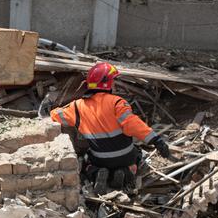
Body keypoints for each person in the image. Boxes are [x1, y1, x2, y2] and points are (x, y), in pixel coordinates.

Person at [50, 62, 170, 193]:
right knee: (138, 154)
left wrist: (51, 108)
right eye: (113, 81)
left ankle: (96, 173)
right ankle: (126, 171)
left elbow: (55, 115)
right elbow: (133, 124)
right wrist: (156, 140)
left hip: (100, 159)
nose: (114, 84)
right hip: (126, 156)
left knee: (85, 161)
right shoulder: (117, 102)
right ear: (107, 84)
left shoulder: (77, 107)